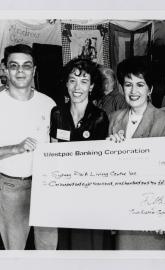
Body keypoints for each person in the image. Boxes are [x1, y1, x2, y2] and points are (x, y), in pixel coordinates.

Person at [108, 56, 165, 250]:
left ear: (150, 89)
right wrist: (109, 150)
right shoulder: (113, 119)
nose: (133, 91)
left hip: (153, 213)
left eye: (140, 84)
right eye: (128, 84)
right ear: (121, 88)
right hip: (123, 212)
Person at [0, 44, 57, 250]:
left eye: (27, 66)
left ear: (34, 70)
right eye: (14, 66)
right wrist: (15, 148)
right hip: (10, 188)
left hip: (46, 186)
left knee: (47, 249)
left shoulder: (49, 104)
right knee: (15, 252)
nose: (21, 71)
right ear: (5, 69)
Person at [50, 57, 110, 250]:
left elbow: (100, 163)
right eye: (72, 80)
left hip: (90, 195)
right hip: (63, 194)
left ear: (92, 86)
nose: (77, 87)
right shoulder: (57, 113)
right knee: (66, 246)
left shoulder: (99, 117)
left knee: (89, 247)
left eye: (84, 81)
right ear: (66, 83)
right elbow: (53, 155)